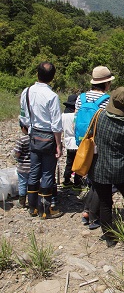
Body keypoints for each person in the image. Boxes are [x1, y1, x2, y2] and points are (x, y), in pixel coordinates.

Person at [88, 87, 124, 247]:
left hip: (100, 166)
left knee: (105, 203)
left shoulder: (100, 116)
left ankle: (109, 238)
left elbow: (91, 135)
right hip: (121, 168)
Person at [19, 62, 63, 219]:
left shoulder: (27, 91)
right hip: (48, 137)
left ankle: (33, 207)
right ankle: (45, 209)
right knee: (47, 172)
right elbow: (56, 125)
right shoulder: (52, 96)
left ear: (37, 74)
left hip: (33, 135)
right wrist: (58, 145)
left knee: (34, 170)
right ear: (52, 77)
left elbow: (23, 116)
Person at [77, 66, 114, 227]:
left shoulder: (81, 98)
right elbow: (108, 124)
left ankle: (86, 211)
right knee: (102, 181)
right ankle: (92, 216)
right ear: (106, 83)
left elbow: (75, 120)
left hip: (83, 143)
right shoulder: (106, 99)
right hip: (100, 145)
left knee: (93, 179)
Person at [61, 94, 83, 190]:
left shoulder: (63, 116)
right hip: (77, 143)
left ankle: (66, 181)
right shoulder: (77, 115)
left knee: (69, 162)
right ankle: (77, 183)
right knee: (78, 164)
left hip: (68, 143)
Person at [13, 121, 31, 208]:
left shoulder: (22, 140)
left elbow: (17, 153)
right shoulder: (34, 138)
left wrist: (16, 157)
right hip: (33, 166)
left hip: (23, 166)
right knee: (33, 182)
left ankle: (22, 202)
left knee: (22, 183)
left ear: (23, 128)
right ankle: (33, 200)